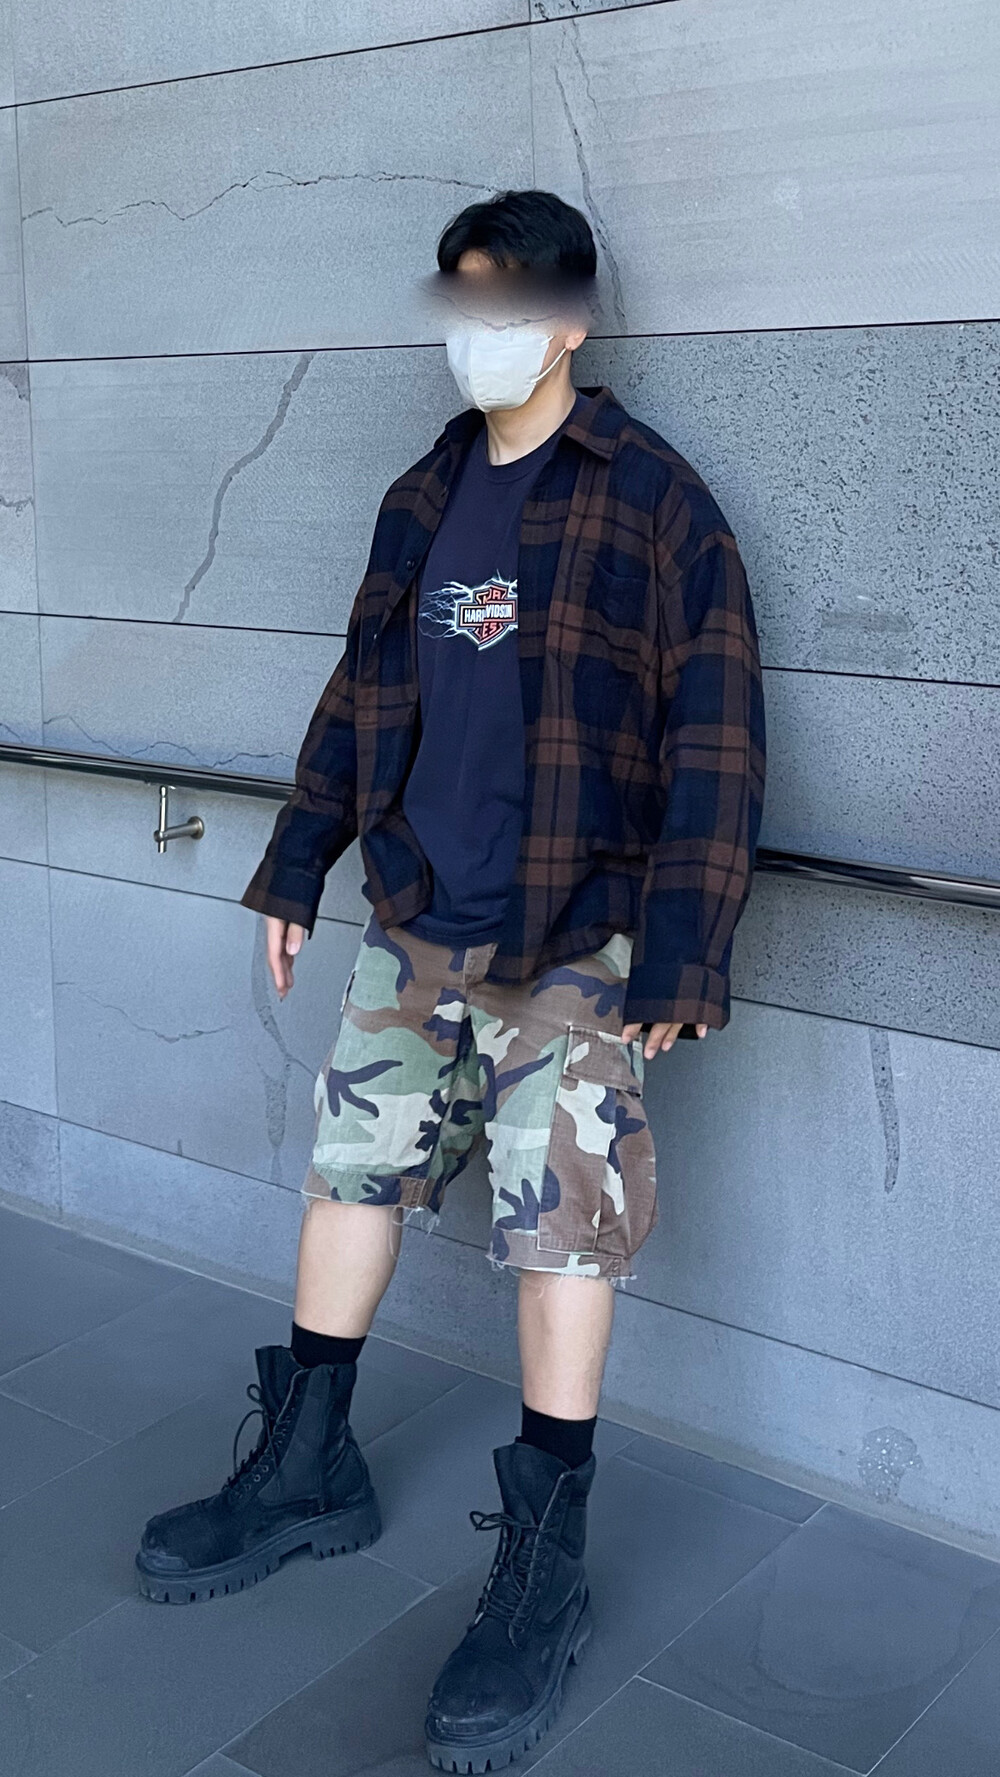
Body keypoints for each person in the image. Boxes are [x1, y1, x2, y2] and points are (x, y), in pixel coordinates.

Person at [135, 188, 766, 1772]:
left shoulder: (657, 504)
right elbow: (359, 692)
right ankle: (306, 1464)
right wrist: (301, 861)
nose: (481, 328)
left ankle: (544, 1567)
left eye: (509, 300)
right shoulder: (422, 493)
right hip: (418, 916)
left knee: (563, 1233)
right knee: (347, 1176)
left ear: (572, 320)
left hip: (577, 936)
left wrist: (686, 945)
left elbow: (717, 730)